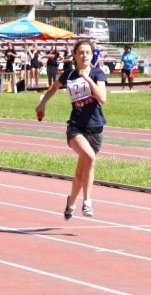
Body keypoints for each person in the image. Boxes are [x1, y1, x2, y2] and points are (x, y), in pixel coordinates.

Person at [35, 39, 107, 220]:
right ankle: (87, 202)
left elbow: (102, 98)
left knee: (80, 174)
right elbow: (54, 88)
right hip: (76, 128)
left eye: (88, 53)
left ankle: (70, 203)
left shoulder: (98, 73)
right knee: (90, 157)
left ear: (92, 55)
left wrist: (87, 79)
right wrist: (42, 103)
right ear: (74, 55)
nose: (84, 56)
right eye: (81, 52)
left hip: (95, 129)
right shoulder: (68, 75)